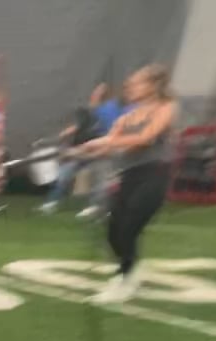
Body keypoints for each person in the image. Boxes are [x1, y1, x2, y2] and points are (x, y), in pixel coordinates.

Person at [71, 64, 180, 304]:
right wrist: (84, 151)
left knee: (129, 227)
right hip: (129, 176)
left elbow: (145, 138)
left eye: (136, 83)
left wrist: (105, 141)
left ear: (153, 85)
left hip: (155, 174)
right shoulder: (126, 117)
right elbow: (116, 147)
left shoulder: (166, 107)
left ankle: (125, 278)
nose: (129, 87)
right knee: (113, 231)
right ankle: (129, 271)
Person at [39, 83, 115, 215]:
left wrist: (103, 149)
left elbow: (110, 133)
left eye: (101, 92)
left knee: (99, 179)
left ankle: (95, 207)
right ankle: (51, 202)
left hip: (98, 151)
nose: (97, 94)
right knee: (64, 176)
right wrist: (59, 137)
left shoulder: (109, 112)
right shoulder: (84, 110)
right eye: (96, 91)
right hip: (78, 150)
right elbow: (76, 126)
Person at [77, 82, 126, 220]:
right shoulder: (101, 109)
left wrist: (104, 149)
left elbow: (113, 133)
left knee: (104, 180)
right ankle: (103, 208)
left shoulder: (108, 109)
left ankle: (103, 209)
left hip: (112, 148)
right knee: (102, 178)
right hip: (107, 147)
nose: (93, 95)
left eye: (96, 92)